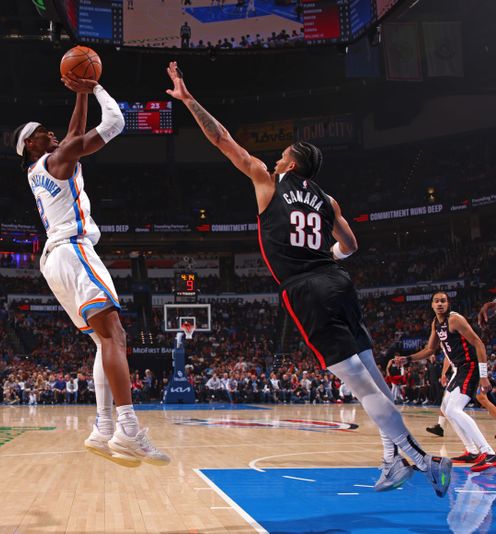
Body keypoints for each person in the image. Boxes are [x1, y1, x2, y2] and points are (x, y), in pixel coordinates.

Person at [166, 60, 451, 496]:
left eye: (283, 154)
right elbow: (351, 246)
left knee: (359, 386)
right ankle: (392, 460)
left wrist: (188, 100)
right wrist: (327, 257)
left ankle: (423, 460)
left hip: (305, 289)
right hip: (338, 281)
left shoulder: (266, 179)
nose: (277, 157)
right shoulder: (329, 199)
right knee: (374, 379)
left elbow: (221, 138)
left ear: (292, 162)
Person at [13, 73, 168, 467]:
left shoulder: (42, 169)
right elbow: (115, 122)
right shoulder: (56, 159)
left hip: (55, 259)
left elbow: (75, 131)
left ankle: (103, 428)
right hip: (74, 251)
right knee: (116, 336)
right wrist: (95, 87)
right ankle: (128, 428)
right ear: (30, 145)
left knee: (104, 342)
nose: (52, 134)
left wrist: (80, 96)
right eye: (42, 133)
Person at [396, 292, 496, 472]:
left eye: (443, 301)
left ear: (448, 304)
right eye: (437, 301)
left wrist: (483, 375)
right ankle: (472, 451)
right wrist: (408, 359)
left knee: (454, 410)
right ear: (432, 305)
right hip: (459, 369)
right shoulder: (436, 324)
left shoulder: (455, 319)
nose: (440, 304)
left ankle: (488, 452)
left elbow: (479, 343)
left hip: (470, 367)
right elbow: (429, 350)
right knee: (446, 410)